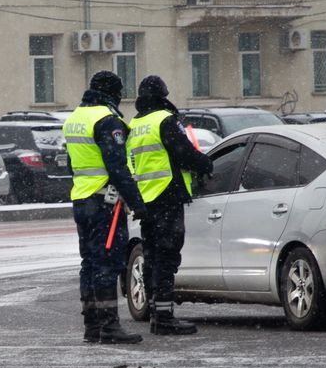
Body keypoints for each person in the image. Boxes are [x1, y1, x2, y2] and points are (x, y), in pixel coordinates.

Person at [63, 70, 146, 344]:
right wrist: (137, 203)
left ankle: (92, 326)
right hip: (104, 205)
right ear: (113, 92)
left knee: (89, 263)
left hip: (82, 199)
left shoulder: (75, 118)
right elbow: (118, 167)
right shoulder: (106, 120)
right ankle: (110, 327)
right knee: (107, 264)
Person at [127, 74, 214, 335]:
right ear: (163, 95)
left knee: (153, 257)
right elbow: (183, 153)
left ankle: (157, 311)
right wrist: (206, 164)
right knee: (167, 257)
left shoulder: (135, 123)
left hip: (147, 199)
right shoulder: (165, 120)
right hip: (167, 195)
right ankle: (164, 319)